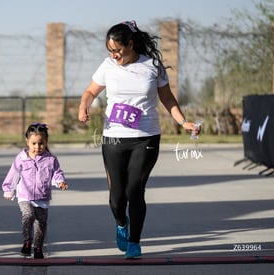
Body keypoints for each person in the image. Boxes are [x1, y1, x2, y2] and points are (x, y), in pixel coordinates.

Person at [78, 20, 200, 259]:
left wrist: (183, 121)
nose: (114, 56)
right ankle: (121, 223)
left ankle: (135, 242)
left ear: (131, 44)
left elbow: (168, 99)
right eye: (110, 51)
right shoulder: (107, 66)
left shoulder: (153, 66)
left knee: (135, 190)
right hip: (113, 139)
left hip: (146, 138)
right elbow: (90, 91)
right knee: (116, 199)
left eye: (118, 51)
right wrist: (84, 107)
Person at [2, 123, 68, 259]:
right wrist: (9, 189)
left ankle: (38, 247)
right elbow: (13, 174)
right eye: (34, 143)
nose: (37, 147)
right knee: (28, 215)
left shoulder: (50, 159)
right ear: (27, 142)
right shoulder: (21, 158)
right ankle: (27, 243)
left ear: (46, 142)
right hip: (24, 196)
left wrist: (60, 181)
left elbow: (57, 173)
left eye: (41, 143)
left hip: (42, 197)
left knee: (41, 224)